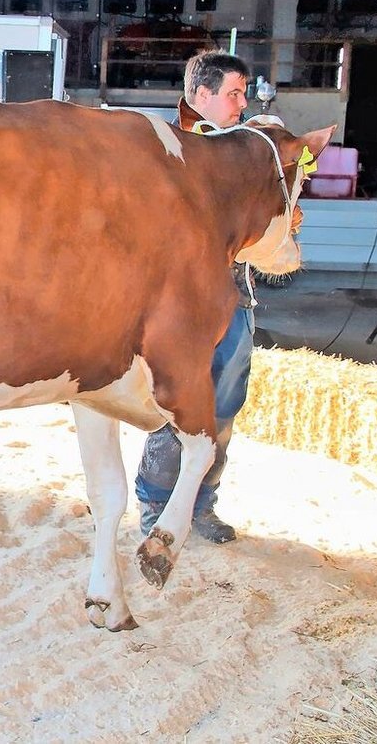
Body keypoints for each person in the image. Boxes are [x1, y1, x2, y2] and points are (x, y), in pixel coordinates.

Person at [135, 51, 254, 544]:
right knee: (176, 400)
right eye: (234, 93)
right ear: (201, 95)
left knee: (224, 401)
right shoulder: (159, 146)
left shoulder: (250, 147)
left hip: (234, 295)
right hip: (177, 302)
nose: (242, 104)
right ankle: (157, 505)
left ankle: (201, 504)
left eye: (243, 93)